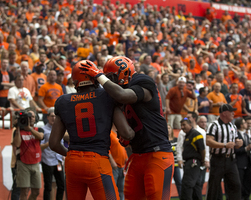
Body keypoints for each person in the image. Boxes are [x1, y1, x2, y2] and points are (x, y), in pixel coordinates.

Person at [80, 57, 174, 200]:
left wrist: (99, 76)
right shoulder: (119, 92)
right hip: (137, 155)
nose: (110, 82)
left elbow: (122, 95)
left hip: (157, 153)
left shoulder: (142, 81)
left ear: (124, 72)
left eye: (112, 77)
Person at [49, 60, 135, 200]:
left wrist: (71, 155)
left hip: (73, 162)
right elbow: (126, 133)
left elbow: (53, 143)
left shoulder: (63, 101)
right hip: (97, 160)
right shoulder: (106, 97)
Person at [206, 104, 243, 200]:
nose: (233, 113)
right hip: (218, 159)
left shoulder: (233, 126)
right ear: (224, 113)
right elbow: (208, 141)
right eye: (231, 112)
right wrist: (224, 145)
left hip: (231, 159)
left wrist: (239, 143)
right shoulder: (214, 125)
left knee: (236, 185)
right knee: (214, 187)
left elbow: (236, 140)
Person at [12, 108, 44, 200]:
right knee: (24, 191)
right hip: (23, 163)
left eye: (33, 116)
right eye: (28, 117)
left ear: (36, 118)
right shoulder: (19, 131)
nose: (30, 118)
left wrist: (30, 129)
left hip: (36, 163)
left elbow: (40, 136)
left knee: (36, 191)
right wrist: (18, 128)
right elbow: (17, 144)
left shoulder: (39, 129)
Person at [41, 107, 65, 200]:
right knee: (48, 186)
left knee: (61, 186)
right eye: (51, 116)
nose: (53, 118)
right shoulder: (43, 130)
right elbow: (40, 147)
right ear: (47, 117)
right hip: (47, 160)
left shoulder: (60, 129)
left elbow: (62, 143)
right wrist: (51, 142)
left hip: (58, 160)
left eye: (55, 116)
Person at [234, 118, 251, 200]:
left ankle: (246, 196)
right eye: (245, 123)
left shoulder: (246, 135)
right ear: (241, 125)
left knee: (248, 181)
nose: (247, 124)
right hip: (240, 162)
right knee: (240, 181)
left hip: (248, 161)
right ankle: (240, 197)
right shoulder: (236, 135)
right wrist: (246, 148)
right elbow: (235, 150)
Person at [180, 118, 205, 200]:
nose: (182, 127)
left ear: (190, 125)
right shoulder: (188, 135)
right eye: (181, 125)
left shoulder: (196, 134)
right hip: (191, 162)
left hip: (193, 162)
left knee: (187, 185)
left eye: (184, 125)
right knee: (196, 186)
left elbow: (202, 149)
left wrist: (203, 161)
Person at [109, 127, 128, 200]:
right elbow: (107, 148)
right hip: (114, 167)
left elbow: (122, 148)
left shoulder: (118, 134)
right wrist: (112, 161)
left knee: (122, 189)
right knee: (113, 189)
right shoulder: (110, 134)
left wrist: (126, 159)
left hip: (122, 166)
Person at [168, 124, 182, 198]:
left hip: (176, 165)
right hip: (167, 165)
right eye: (166, 128)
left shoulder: (176, 139)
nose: (168, 130)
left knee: (179, 182)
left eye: (169, 128)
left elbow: (179, 150)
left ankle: (181, 197)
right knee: (166, 184)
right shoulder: (164, 140)